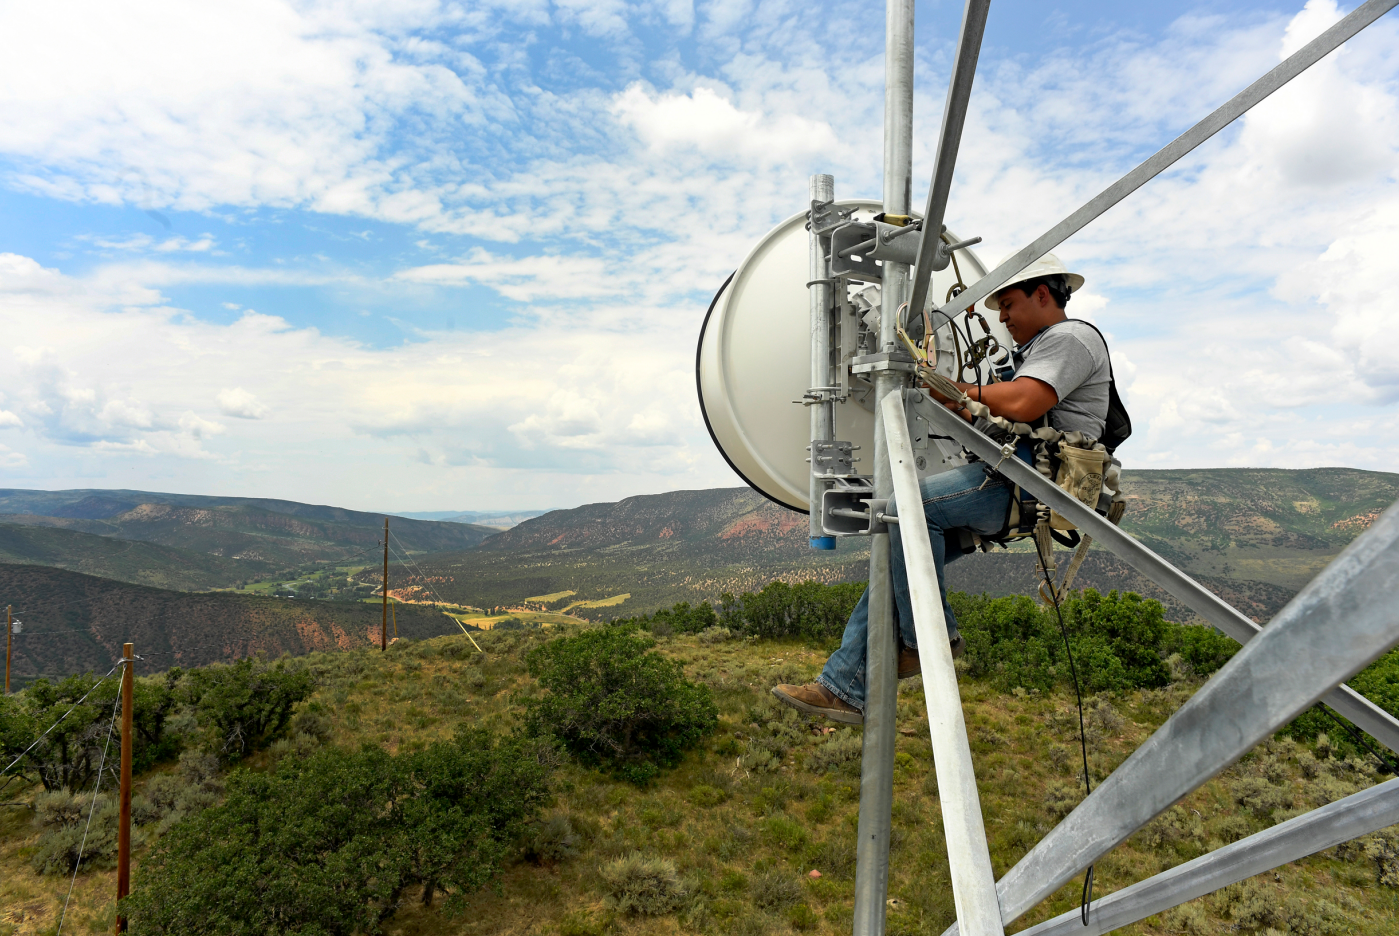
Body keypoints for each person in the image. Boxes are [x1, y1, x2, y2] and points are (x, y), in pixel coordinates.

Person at [772, 253, 1112, 724]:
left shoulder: (1070, 339)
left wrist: (959, 390)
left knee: (910, 511)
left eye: (1009, 304)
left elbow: (1025, 401)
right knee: (899, 562)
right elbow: (1002, 411)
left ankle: (929, 641)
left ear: (1042, 293)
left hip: (1031, 481)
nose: (1003, 317)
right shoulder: (1034, 352)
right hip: (1016, 478)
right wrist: (952, 398)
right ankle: (844, 687)